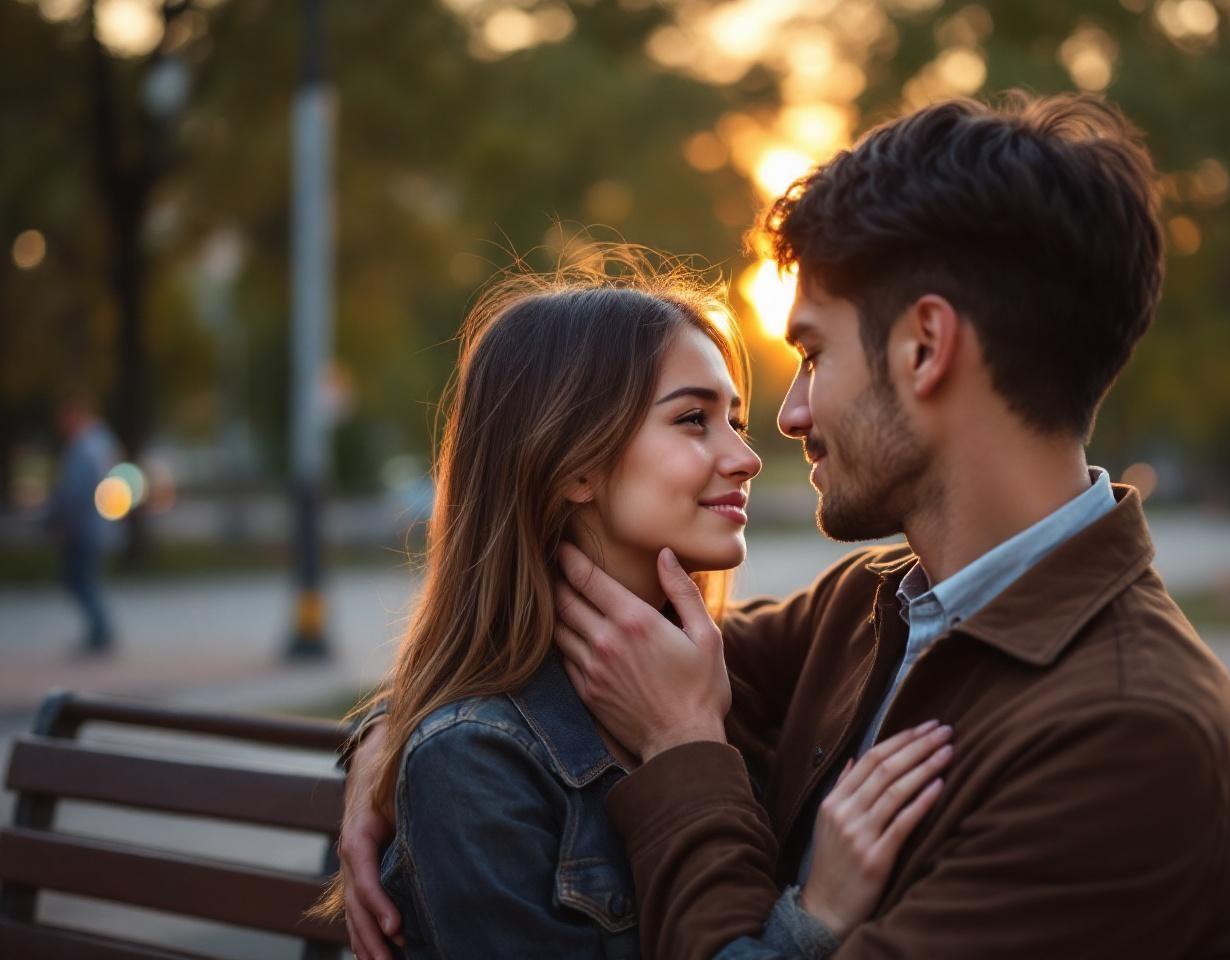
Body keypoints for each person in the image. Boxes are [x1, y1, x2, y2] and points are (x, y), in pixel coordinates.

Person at [345, 92, 1230, 958]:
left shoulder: (1126, 736)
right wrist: (407, 737)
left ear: (926, 348)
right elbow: (561, 670)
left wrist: (688, 756)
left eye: (814, 353)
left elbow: (657, 706)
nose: (786, 420)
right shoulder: (871, 610)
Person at [314, 259, 954, 960]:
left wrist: (394, 728)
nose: (746, 457)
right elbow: (462, 713)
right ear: (575, 465)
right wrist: (816, 915)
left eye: (734, 421)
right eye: (693, 420)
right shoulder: (476, 759)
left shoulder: (698, 670)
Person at [44, 392, 120, 655]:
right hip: (96, 525)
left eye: (65, 417)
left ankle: (101, 632)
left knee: (79, 581)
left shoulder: (84, 447)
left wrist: (53, 518)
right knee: (84, 580)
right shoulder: (101, 442)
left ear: (75, 415)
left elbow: (74, 491)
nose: (61, 424)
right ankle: (100, 632)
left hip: (85, 526)